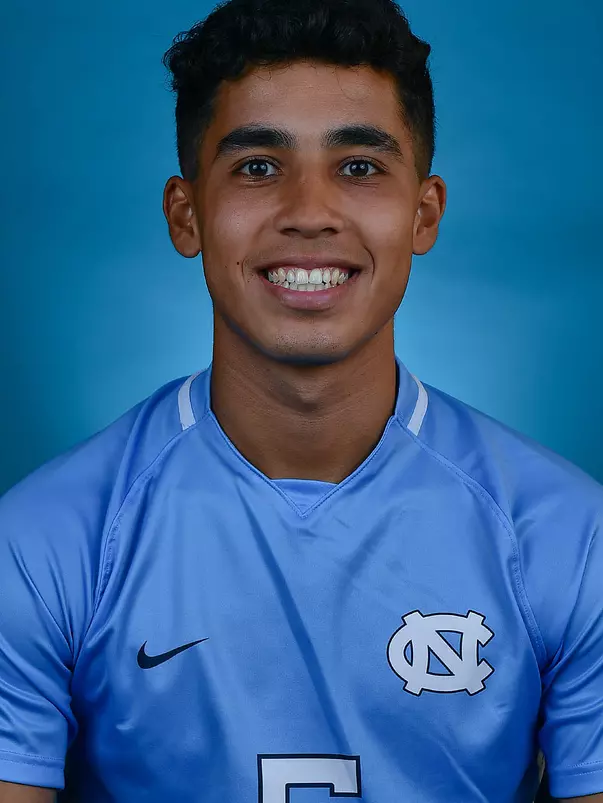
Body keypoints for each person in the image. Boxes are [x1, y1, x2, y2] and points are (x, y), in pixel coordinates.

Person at [0, 0, 601, 800]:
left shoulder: (567, 538)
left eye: (358, 166)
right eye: (257, 167)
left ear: (423, 213)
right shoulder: (43, 543)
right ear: (187, 214)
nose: (309, 212)